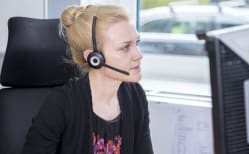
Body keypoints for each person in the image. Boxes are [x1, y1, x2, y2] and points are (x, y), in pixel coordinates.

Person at [22, 4, 154, 154]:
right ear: (94, 58)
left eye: (136, 43)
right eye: (125, 47)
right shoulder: (61, 103)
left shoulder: (135, 96)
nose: (139, 55)